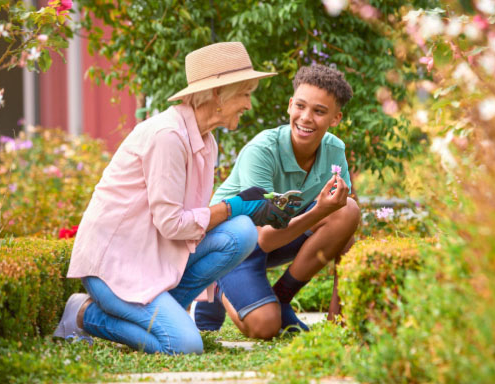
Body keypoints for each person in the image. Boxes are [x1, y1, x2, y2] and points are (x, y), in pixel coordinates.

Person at [53, 42, 294, 354]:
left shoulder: (206, 142)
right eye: (245, 93)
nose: (249, 104)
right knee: (184, 345)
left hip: (152, 259)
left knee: (244, 232)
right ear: (218, 94)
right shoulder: (168, 136)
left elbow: (192, 223)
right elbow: (171, 225)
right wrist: (235, 205)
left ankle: (164, 311)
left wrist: (244, 210)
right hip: (115, 270)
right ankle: (84, 313)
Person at [194, 64, 361, 339]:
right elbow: (264, 240)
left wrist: (339, 318)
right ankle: (219, 283)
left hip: (278, 234)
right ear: (289, 105)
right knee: (265, 327)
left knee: (347, 212)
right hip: (234, 243)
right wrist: (319, 210)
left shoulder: (334, 151)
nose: (306, 118)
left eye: (319, 112)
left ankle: (282, 298)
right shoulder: (262, 151)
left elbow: (343, 232)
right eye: (300, 106)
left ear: (336, 118)